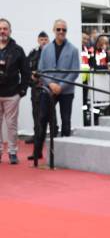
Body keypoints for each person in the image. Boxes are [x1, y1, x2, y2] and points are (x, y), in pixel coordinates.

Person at [35, 19, 80, 159]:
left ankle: (65, 154)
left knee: (66, 120)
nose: (61, 32)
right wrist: (51, 84)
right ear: (54, 30)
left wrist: (61, 86)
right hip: (48, 90)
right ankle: (37, 152)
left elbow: (75, 72)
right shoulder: (46, 49)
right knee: (42, 118)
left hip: (66, 91)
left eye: (64, 30)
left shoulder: (73, 49)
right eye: (59, 29)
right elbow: (41, 70)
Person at [0, 18, 29, 164]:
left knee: (11, 126)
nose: (2, 31)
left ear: (10, 31)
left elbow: (25, 72)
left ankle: (12, 152)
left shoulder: (18, 50)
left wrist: (21, 91)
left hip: (12, 94)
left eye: (5, 28)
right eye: (0, 28)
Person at [26, 31, 49, 153]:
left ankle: (53, 136)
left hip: (48, 88)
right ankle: (37, 137)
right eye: (41, 39)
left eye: (45, 39)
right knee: (36, 114)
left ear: (48, 40)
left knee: (50, 114)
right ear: (38, 40)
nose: (43, 41)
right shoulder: (33, 53)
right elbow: (26, 69)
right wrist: (32, 82)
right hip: (36, 89)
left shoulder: (52, 52)